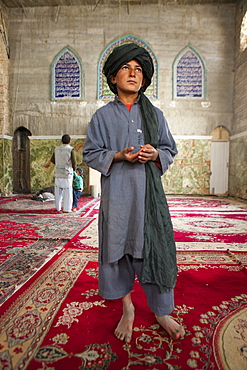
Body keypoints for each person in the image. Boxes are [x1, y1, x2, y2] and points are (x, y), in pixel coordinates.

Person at [83, 43, 185, 343]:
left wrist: (155, 154)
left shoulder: (157, 115)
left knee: (154, 249)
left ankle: (161, 311)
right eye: (126, 68)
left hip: (148, 201)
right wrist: (118, 156)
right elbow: (91, 153)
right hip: (117, 200)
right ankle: (128, 309)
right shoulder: (102, 117)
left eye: (138, 69)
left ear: (144, 78)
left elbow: (170, 149)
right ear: (113, 77)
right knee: (119, 250)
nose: (133, 73)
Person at [50, 134, 76, 213]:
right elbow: (74, 162)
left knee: (58, 192)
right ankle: (67, 209)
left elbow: (53, 160)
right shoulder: (71, 149)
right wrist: (74, 170)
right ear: (69, 141)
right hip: (67, 173)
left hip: (58, 172)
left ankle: (58, 208)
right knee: (67, 192)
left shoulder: (57, 149)